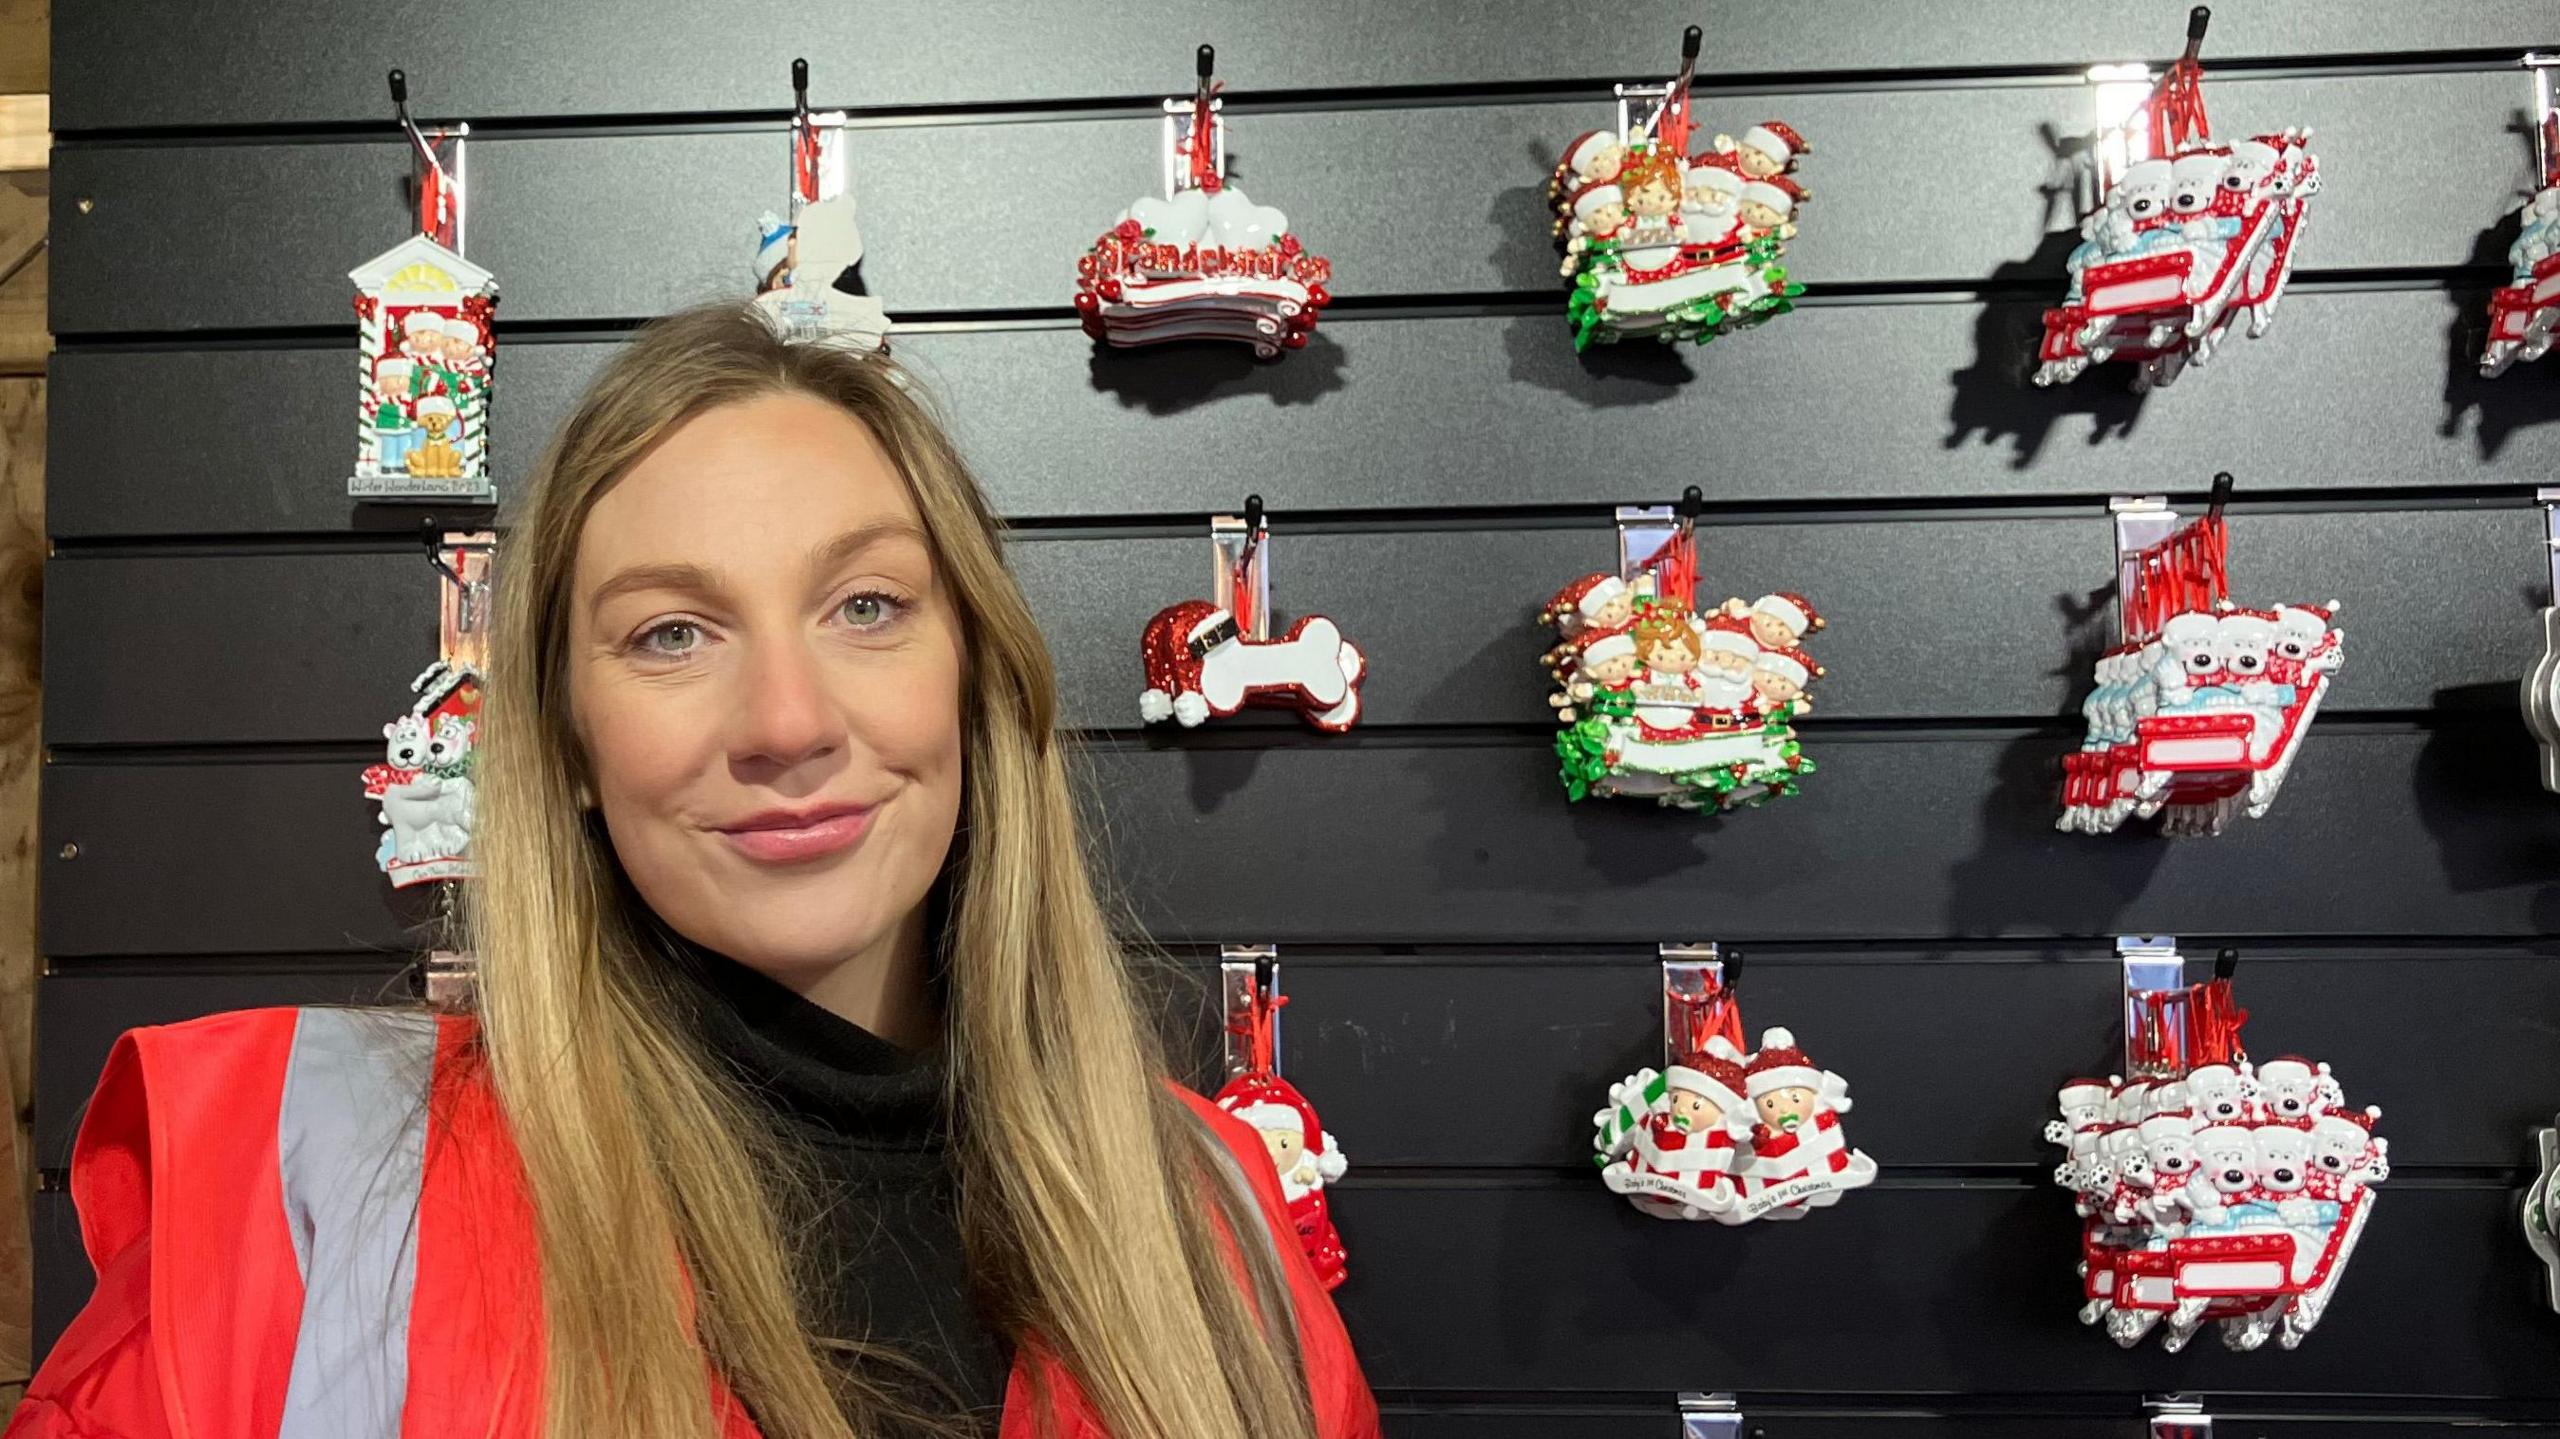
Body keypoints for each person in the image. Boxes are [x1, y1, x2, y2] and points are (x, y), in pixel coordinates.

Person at [10, 302, 1379, 1439]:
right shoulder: (301, 1206)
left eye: (866, 606)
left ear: (974, 680)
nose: (787, 722)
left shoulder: (1211, 1213)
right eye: (671, 633)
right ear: (574, 748)